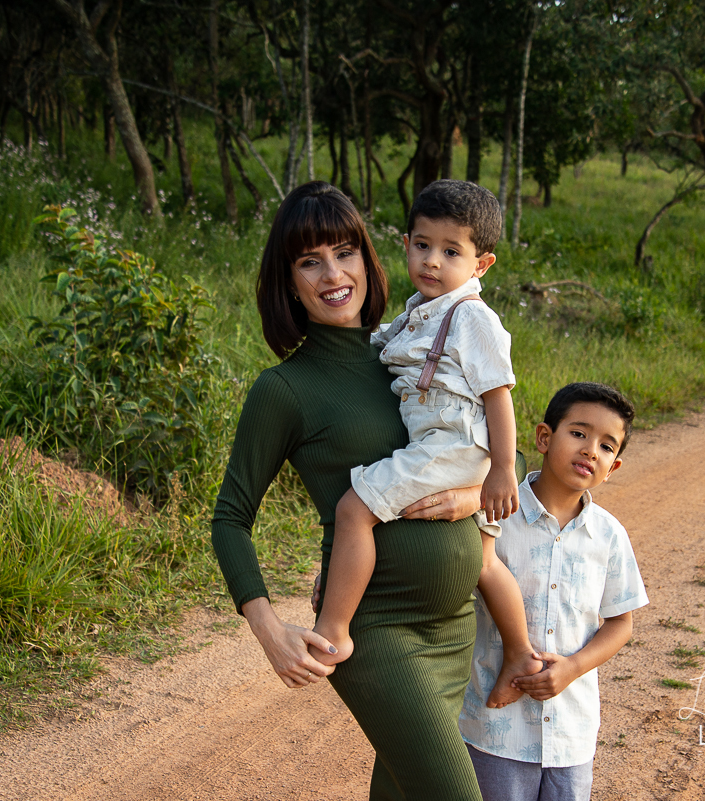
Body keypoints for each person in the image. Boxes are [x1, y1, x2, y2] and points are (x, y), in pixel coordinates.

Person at [212, 181, 521, 800]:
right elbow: (230, 518)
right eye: (309, 261)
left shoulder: (408, 350)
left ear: (368, 257)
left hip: (454, 628)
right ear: (288, 280)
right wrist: (268, 628)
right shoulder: (285, 389)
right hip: (379, 633)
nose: (333, 275)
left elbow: (480, 442)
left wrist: (468, 499)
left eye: (345, 252)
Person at [312, 179, 541, 709]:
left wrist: (501, 470)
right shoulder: (422, 307)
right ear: (407, 244)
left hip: (452, 443)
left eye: (451, 252)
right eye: (422, 245)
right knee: (485, 562)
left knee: (354, 510)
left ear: (481, 265)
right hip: (450, 442)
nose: (432, 261)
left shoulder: (473, 318)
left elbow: (499, 396)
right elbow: (381, 342)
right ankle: (521, 653)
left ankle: (335, 628)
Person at [459, 382, 649, 801]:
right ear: (544, 438)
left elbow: (621, 623)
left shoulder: (609, 536)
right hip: (495, 730)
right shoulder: (496, 515)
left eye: (606, 446)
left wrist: (573, 668)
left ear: (613, 467)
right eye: (579, 433)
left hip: (571, 734)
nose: (590, 451)